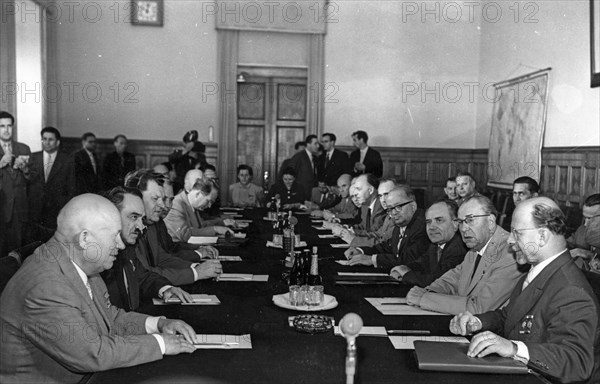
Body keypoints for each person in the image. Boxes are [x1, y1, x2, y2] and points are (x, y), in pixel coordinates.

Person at [0, 194, 199, 384]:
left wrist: (159, 325)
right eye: (113, 236)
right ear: (85, 238)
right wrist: (162, 344)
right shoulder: (46, 286)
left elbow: (110, 319)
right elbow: (93, 353)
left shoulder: (81, 265)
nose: (120, 245)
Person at [449, 197, 599, 384]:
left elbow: (576, 362)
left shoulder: (571, 290)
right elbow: (511, 316)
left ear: (542, 237)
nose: (510, 240)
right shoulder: (536, 274)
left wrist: (513, 348)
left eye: (517, 233)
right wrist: (478, 321)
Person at [406, 195, 524, 315]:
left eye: (470, 220)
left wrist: (424, 298)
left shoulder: (511, 253)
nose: (463, 228)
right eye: (461, 222)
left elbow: (479, 308)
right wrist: (427, 292)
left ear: (490, 222)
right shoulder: (474, 250)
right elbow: (450, 281)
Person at [101, 187, 194, 311]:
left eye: (141, 218)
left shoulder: (127, 249)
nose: (140, 226)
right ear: (112, 217)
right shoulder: (99, 260)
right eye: (134, 217)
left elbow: (142, 276)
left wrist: (166, 289)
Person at [124, 169, 222, 285]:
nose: (163, 205)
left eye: (168, 199)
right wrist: (195, 272)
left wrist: (195, 267)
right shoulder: (131, 228)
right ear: (136, 198)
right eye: (156, 199)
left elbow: (162, 257)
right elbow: (143, 275)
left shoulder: (150, 224)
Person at [344, 186, 429, 271]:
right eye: (390, 209)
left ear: (413, 206)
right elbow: (386, 247)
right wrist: (361, 250)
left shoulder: (422, 225)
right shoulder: (401, 223)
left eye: (398, 207)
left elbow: (408, 259)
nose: (393, 213)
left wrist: (372, 259)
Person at [391, 199, 468, 287]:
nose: (431, 227)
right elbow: (421, 263)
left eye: (439, 220)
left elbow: (438, 281)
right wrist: (403, 268)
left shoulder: (459, 248)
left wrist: (405, 274)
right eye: (428, 222)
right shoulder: (435, 245)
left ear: (455, 224)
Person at [27, 127, 74, 235]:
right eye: (44, 139)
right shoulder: (33, 157)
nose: (47, 142)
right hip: (35, 210)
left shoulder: (67, 160)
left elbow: (71, 186)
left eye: (50, 139)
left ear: (57, 142)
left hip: (56, 209)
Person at [0, 111, 30, 257]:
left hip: (19, 210)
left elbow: (34, 180)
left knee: (17, 253)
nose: (6, 130)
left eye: (9, 126)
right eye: (2, 126)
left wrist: (25, 169)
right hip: (1, 207)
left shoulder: (23, 148)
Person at [165, 176, 233, 240]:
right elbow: (185, 234)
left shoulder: (193, 205)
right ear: (198, 194)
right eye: (208, 201)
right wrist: (215, 229)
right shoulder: (176, 204)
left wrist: (221, 223)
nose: (209, 206)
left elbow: (200, 226)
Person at [340, 178, 398, 247]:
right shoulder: (389, 215)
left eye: (386, 194)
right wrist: (351, 232)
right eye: (380, 196)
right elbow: (377, 234)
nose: (383, 200)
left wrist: (353, 240)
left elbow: (382, 242)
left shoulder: (396, 215)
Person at [569, 194, 600, 265]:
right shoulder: (582, 229)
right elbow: (571, 242)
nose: (585, 224)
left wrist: (590, 255)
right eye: (585, 217)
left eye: (590, 218)